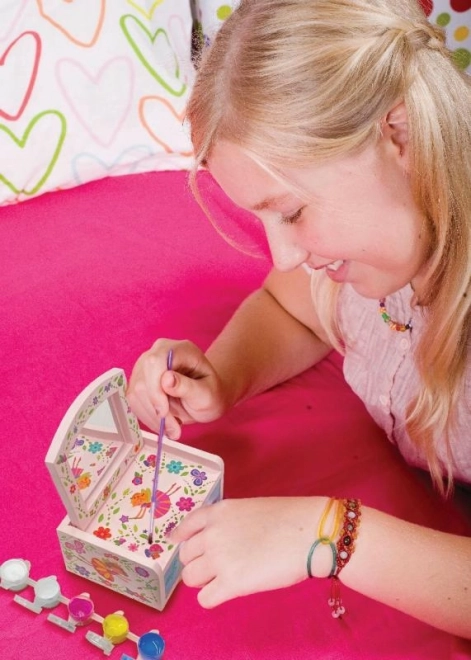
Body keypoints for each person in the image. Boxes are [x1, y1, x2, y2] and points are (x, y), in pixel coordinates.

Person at [127, 0, 471, 638]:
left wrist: (331, 534)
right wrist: (222, 376)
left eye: (292, 212)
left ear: (400, 135)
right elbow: (293, 307)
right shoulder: (367, 253)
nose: (283, 254)